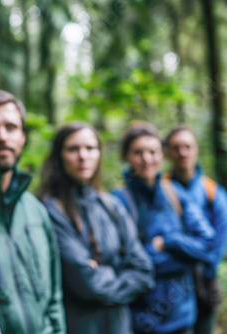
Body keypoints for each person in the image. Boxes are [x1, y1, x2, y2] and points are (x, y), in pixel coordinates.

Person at [37, 122, 154, 334]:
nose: (83, 156)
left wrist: (101, 272)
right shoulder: (48, 209)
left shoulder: (111, 206)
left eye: (90, 148)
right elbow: (88, 284)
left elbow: (144, 271)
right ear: (59, 155)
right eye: (73, 149)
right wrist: (119, 273)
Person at [0, 90, 66, 333]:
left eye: (11, 127)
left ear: (22, 137)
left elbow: (54, 297)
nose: (2, 137)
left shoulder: (36, 210)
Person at [112, 121, 215, 334]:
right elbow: (129, 264)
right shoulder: (118, 201)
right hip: (141, 320)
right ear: (127, 156)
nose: (147, 159)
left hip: (183, 317)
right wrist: (185, 259)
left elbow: (208, 247)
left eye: (153, 151)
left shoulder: (175, 193)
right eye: (138, 152)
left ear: (162, 154)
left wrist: (171, 241)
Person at [164, 125, 227, 334]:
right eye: (176, 147)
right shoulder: (160, 188)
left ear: (196, 149)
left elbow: (215, 248)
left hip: (205, 283)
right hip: (168, 283)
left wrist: (173, 242)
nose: (183, 153)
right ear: (167, 152)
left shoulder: (213, 192)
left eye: (187, 146)